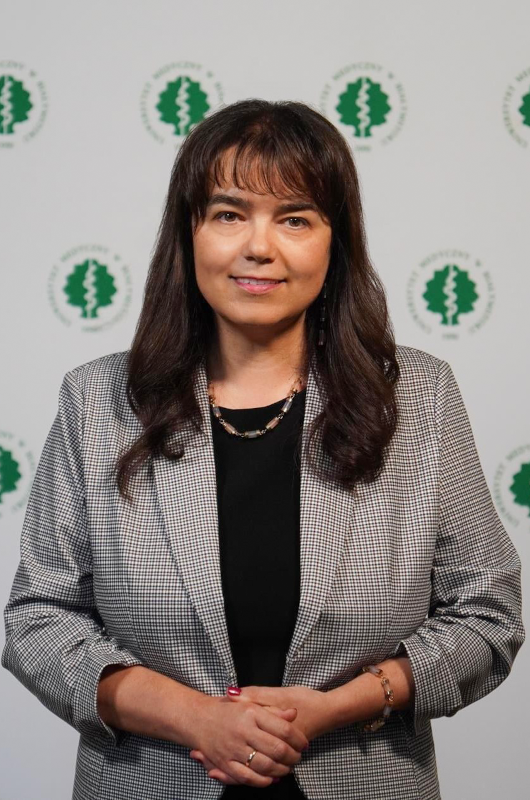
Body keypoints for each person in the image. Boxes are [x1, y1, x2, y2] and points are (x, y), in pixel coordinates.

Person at [2, 99, 525, 800]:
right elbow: (37, 620)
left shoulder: (417, 398)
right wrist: (194, 717)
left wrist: (337, 707)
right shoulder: (98, 401)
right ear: (189, 233)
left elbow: (488, 616)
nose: (259, 247)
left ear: (336, 242)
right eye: (229, 214)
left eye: (295, 219)